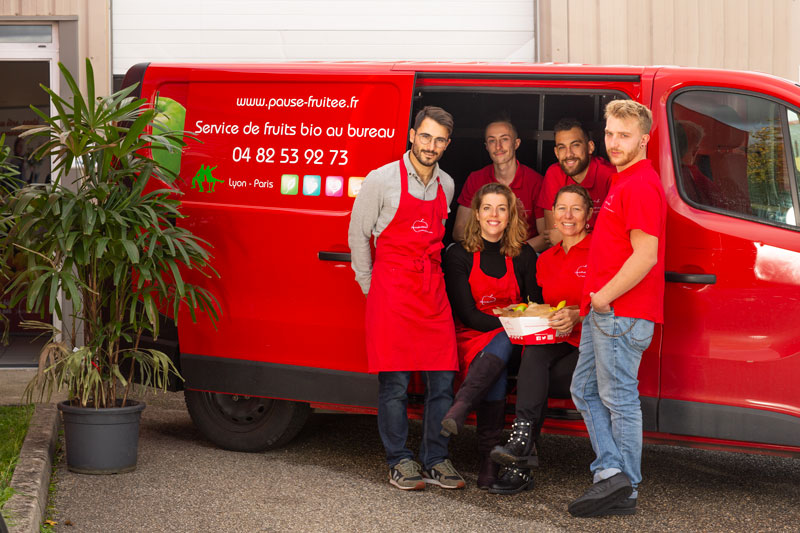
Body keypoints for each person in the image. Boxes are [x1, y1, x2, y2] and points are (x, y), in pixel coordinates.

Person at [348, 106, 466, 491]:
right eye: (426, 136)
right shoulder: (381, 180)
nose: (431, 145)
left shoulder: (446, 185)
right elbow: (358, 235)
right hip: (392, 291)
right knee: (395, 384)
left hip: (431, 291)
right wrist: (371, 286)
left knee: (443, 381)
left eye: (440, 140)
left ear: (447, 144)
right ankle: (399, 460)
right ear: (413, 135)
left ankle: (435, 458)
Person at [568, 100, 666, 517]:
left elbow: (646, 256)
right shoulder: (621, 180)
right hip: (603, 311)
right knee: (584, 390)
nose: (614, 142)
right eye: (609, 134)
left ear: (643, 139)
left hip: (620, 313)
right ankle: (612, 471)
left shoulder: (641, 184)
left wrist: (604, 298)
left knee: (618, 397)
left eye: (624, 135)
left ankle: (626, 488)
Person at [489, 184, 593, 494]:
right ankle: (522, 445)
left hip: (591, 343)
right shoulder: (545, 259)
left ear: (588, 215)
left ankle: (520, 456)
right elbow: (543, 307)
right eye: (561, 209)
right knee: (534, 355)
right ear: (553, 216)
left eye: (576, 209)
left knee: (537, 373)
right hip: (555, 342)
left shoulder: (602, 251)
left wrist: (579, 314)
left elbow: (615, 302)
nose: (568, 216)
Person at [441, 182, 541, 489]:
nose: (494, 215)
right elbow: (468, 314)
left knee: (505, 343)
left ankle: (463, 404)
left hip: (511, 339)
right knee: (497, 361)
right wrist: (510, 323)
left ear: (510, 215)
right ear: (477, 214)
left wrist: (517, 321)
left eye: (501, 208)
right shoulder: (458, 255)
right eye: (487, 208)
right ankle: (488, 465)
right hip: (471, 337)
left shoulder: (523, 254)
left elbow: (535, 303)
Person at [452, 119, 547, 251]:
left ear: (516, 143)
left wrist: (512, 252)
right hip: (482, 251)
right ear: (486, 146)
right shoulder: (476, 178)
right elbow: (459, 231)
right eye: (492, 141)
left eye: (504, 139)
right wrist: (491, 251)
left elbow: (545, 237)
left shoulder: (536, 181)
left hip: (522, 254)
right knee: (453, 250)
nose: (498, 147)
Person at [535, 118, 614, 248]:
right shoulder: (554, 174)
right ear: (556, 152)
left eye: (575, 145)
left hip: (601, 256)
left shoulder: (609, 175)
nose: (569, 154)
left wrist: (572, 238)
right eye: (562, 147)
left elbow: (614, 237)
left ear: (590, 147)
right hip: (565, 252)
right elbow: (553, 235)